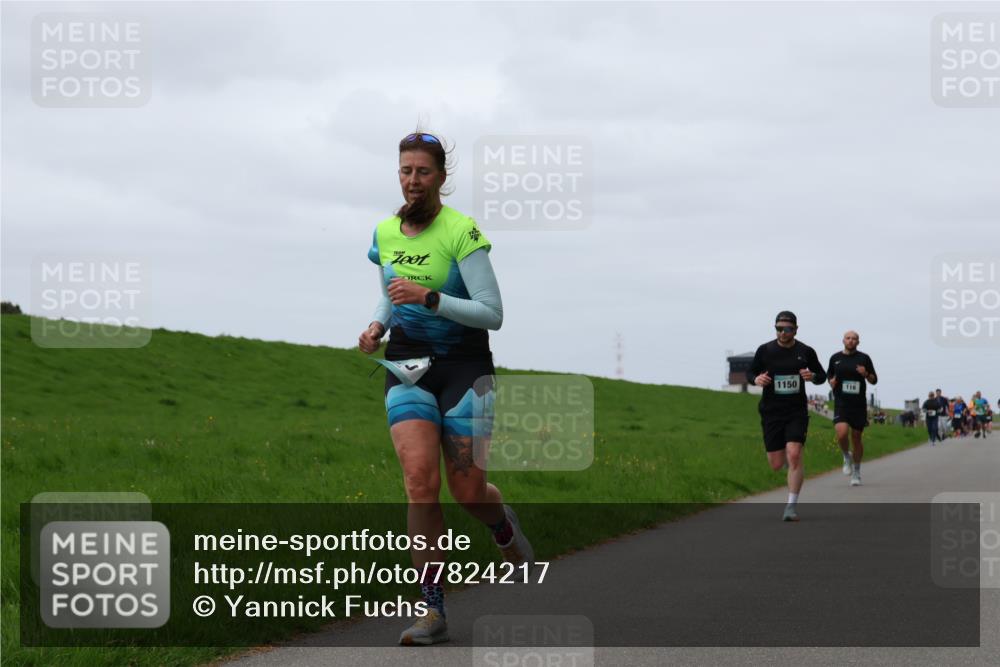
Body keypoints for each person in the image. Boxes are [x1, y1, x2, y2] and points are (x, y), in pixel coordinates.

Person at [359, 131, 533, 646]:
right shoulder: (386, 231)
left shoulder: (462, 232)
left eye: (424, 172)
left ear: (441, 177)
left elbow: (492, 314)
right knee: (419, 482)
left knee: (468, 492)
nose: (413, 180)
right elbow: (389, 295)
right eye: (406, 171)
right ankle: (432, 610)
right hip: (406, 367)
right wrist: (375, 328)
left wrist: (432, 298)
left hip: (464, 370)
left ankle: (501, 525)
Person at [748, 311, 827, 521]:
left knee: (794, 453)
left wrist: (813, 376)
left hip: (796, 411)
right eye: (779, 329)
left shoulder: (805, 351)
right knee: (776, 464)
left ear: (796, 329)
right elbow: (750, 373)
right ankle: (791, 464)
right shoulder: (765, 350)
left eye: (788, 329)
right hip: (771, 411)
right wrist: (756, 379)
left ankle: (791, 506)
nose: (783, 332)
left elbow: (822, 376)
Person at [826, 331, 878, 486]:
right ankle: (846, 456)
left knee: (856, 438)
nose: (850, 341)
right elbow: (829, 375)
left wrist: (866, 373)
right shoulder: (835, 358)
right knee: (841, 433)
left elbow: (874, 380)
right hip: (841, 403)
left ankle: (856, 472)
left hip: (858, 405)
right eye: (848, 338)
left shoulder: (864, 358)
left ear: (858, 342)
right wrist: (831, 381)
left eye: (854, 339)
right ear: (843, 340)